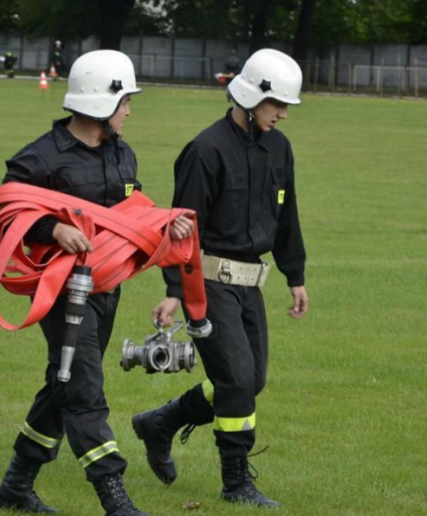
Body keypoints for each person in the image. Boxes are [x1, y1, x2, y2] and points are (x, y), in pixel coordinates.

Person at [0, 50, 194, 516]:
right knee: (83, 386)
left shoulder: (123, 153)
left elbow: (137, 218)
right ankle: (113, 496)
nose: (130, 110)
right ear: (103, 103)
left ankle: (15, 486)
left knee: (62, 382)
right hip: (63, 295)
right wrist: (51, 230)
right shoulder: (39, 158)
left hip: (106, 291)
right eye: (125, 101)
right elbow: (7, 213)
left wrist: (168, 231)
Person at [131, 48, 309, 508]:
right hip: (206, 283)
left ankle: (162, 422)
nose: (283, 115)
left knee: (252, 380)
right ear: (251, 99)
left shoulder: (279, 148)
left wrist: (296, 275)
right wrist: (174, 291)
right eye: (277, 106)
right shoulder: (205, 150)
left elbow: (287, 216)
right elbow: (179, 227)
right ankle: (236, 483)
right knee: (234, 382)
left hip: (252, 283)